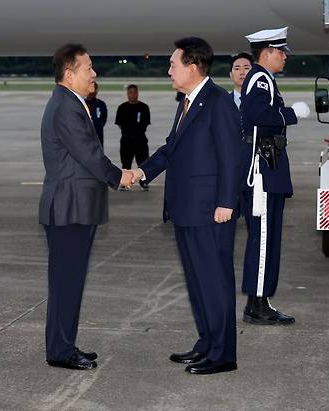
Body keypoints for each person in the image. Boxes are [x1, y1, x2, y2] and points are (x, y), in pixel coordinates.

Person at [130, 37, 242, 375]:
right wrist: (141, 171)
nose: (169, 71)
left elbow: (231, 157)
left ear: (192, 67)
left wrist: (226, 202)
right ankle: (207, 343)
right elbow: (171, 148)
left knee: (214, 282)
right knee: (197, 282)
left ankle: (223, 355)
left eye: (173, 64)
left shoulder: (218, 102)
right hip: (186, 209)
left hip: (210, 210)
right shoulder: (189, 102)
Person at [39, 43, 133, 371]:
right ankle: (61, 351)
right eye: (88, 68)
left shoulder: (70, 103)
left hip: (74, 208)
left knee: (69, 283)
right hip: (70, 210)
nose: (94, 74)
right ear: (70, 74)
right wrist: (119, 176)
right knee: (67, 284)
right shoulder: (67, 107)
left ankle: (62, 345)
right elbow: (90, 156)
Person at [239, 27, 310, 325]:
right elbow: (257, 117)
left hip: (270, 167)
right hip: (263, 172)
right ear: (266, 52)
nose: (284, 57)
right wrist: (292, 114)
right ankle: (257, 305)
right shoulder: (260, 78)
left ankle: (261, 300)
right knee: (264, 238)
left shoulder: (265, 79)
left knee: (266, 238)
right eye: (280, 52)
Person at [115, 84, 151, 190]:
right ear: (127, 94)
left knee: (143, 162)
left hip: (140, 140)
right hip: (126, 140)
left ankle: (144, 182)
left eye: (134, 92)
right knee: (126, 162)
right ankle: (125, 183)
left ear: (137, 93)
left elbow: (146, 123)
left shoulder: (143, 107)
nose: (132, 94)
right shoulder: (122, 108)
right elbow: (119, 123)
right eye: (130, 92)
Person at [85, 80, 108, 146]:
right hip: (84, 138)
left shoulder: (101, 104)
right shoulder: (80, 104)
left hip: (98, 138)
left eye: (93, 88)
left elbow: (103, 119)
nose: (91, 91)